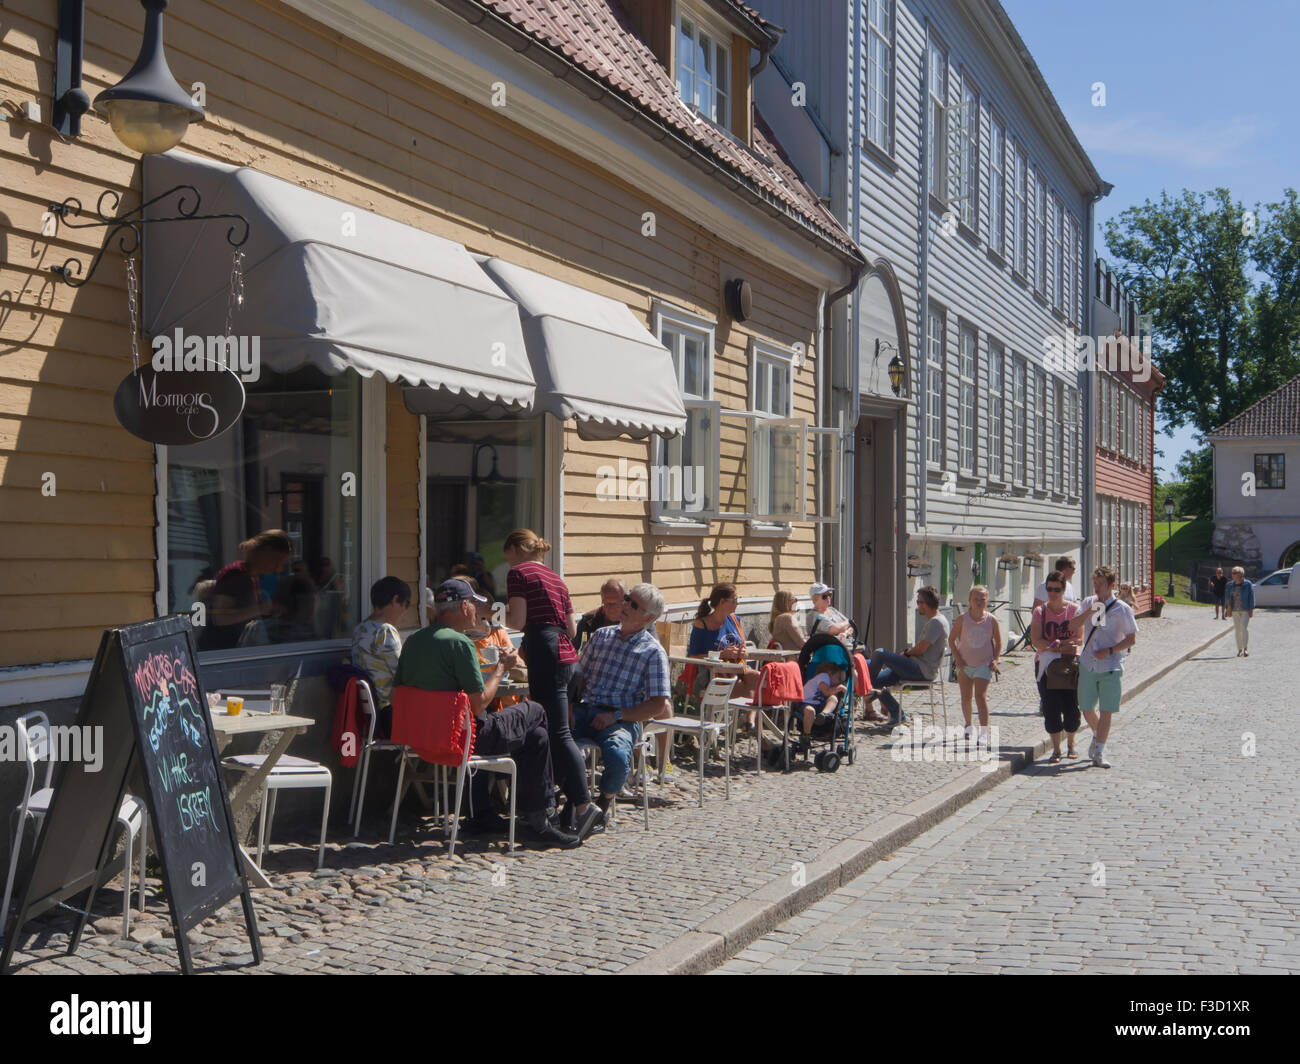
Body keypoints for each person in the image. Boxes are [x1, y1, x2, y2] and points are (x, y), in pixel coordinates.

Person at [394, 578, 583, 848]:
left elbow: (398, 692)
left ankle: (483, 814)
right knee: (537, 711)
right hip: (464, 739)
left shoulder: (413, 641)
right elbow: (479, 703)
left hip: (421, 738)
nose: (476, 610)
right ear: (465, 607)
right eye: (473, 604)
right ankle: (543, 818)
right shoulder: (461, 645)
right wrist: (501, 669)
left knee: (537, 737)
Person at [503, 529, 598, 839]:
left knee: (555, 732)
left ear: (515, 549)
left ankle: (584, 806)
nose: (507, 561)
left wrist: (493, 615)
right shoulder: (556, 577)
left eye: (507, 555)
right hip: (568, 655)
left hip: (544, 650)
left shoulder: (518, 573)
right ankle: (563, 804)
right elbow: (571, 627)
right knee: (557, 731)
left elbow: (517, 622)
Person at [571, 583, 673, 817]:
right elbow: (578, 676)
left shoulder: (653, 652)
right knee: (553, 740)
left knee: (617, 757)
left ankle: (603, 802)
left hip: (621, 718)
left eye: (633, 604)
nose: (625, 605)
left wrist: (615, 716)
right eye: (627, 599)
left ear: (649, 616)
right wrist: (569, 705)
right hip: (585, 709)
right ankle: (568, 802)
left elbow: (658, 704)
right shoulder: (601, 636)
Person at [1067, 565, 1139, 769]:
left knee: (1106, 710)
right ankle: (1098, 735)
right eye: (1095, 584)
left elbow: (1131, 639)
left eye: (1101, 584)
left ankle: (1099, 751)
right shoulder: (1089, 602)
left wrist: (1110, 651)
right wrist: (1088, 611)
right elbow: (1072, 626)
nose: (1097, 588)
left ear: (1111, 585)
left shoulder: (1122, 609)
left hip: (1111, 665)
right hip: (1088, 664)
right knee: (1087, 708)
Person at [864, 587, 950, 727]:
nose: (917, 605)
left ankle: (867, 688)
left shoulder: (937, 622)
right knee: (876, 680)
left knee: (879, 653)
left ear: (925, 604)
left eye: (918, 602)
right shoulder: (936, 621)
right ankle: (897, 714)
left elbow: (922, 648)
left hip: (922, 669)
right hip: (916, 665)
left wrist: (907, 653)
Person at [198, 530, 293, 651]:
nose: (278, 568)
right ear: (266, 553)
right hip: (219, 652)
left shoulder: (251, 576)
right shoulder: (237, 575)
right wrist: (258, 609)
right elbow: (220, 619)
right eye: (278, 561)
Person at [350, 576, 410, 739]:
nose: (404, 613)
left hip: (371, 713)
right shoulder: (385, 631)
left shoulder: (359, 629)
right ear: (395, 600)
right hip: (391, 715)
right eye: (405, 606)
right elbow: (405, 673)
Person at [1030, 573, 1082, 763]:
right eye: (1049, 589)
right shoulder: (1040, 612)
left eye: (1057, 589)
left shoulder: (1075, 610)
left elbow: (1079, 638)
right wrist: (1056, 646)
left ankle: (1071, 744)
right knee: (1050, 707)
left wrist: (1060, 645)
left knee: (1071, 706)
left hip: (1069, 663)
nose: (1052, 593)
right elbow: (1036, 639)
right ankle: (1056, 749)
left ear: (1064, 589)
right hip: (1046, 664)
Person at [687, 584, 760, 701]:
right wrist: (722, 654)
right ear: (722, 602)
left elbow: (745, 650)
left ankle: (749, 718)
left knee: (757, 677)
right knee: (737, 683)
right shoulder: (702, 624)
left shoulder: (735, 620)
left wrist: (741, 652)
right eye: (735, 600)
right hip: (711, 672)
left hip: (736, 668)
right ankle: (732, 716)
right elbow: (693, 657)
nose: (738, 603)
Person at [948, 585, 1001, 746]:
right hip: (965, 665)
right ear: (969, 601)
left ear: (987, 601)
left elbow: (998, 642)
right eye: (976, 599)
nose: (979, 602)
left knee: (980, 696)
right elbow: (951, 640)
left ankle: (984, 732)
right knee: (966, 697)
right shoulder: (962, 619)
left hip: (983, 664)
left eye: (982, 599)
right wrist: (957, 658)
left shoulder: (991, 620)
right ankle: (968, 724)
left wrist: (996, 659)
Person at [464, 578, 526, 711]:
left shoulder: (498, 632)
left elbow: (517, 660)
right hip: (482, 695)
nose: (482, 619)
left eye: (484, 614)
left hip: (503, 691)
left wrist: (508, 656)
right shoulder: (466, 639)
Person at [800, 663, 846, 748]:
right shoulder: (824, 676)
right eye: (837, 678)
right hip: (807, 702)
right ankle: (806, 735)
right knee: (810, 711)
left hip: (819, 704)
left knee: (833, 699)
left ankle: (824, 714)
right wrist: (839, 688)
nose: (838, 681)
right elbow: (826, 691)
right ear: (830, 673)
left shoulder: (827, 678)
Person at [574, 578, 627, 651]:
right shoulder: (588, 622)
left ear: (625, 602)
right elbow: (576, 650)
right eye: (607, 603)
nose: (611, 608)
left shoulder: (631, 624)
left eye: (615, 604)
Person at [807, 582, 853, 647]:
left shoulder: (832, 610)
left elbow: (852, 625)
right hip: (826, 651)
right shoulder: (814, 615)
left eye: (829, 595)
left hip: (844, 648)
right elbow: (834, 629)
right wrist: (847, 622)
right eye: (824, 596)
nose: (828, 598)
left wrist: (845, 633)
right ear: (815, 599)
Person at [1224, 566, 1255, 657]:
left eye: (1235, 573)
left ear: (1240, 574)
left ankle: (1245, 648)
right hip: (1234, 610)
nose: (1233, 575)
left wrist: (1251, 609)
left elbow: (1251, 597)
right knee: (1237, 630)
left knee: (1244, 628)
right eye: (1232, 573)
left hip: (1245, 609)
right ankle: (1239, 649)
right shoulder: (1230, 585)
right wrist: (1227, 609)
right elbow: (1227, 598)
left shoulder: (1248, 584)